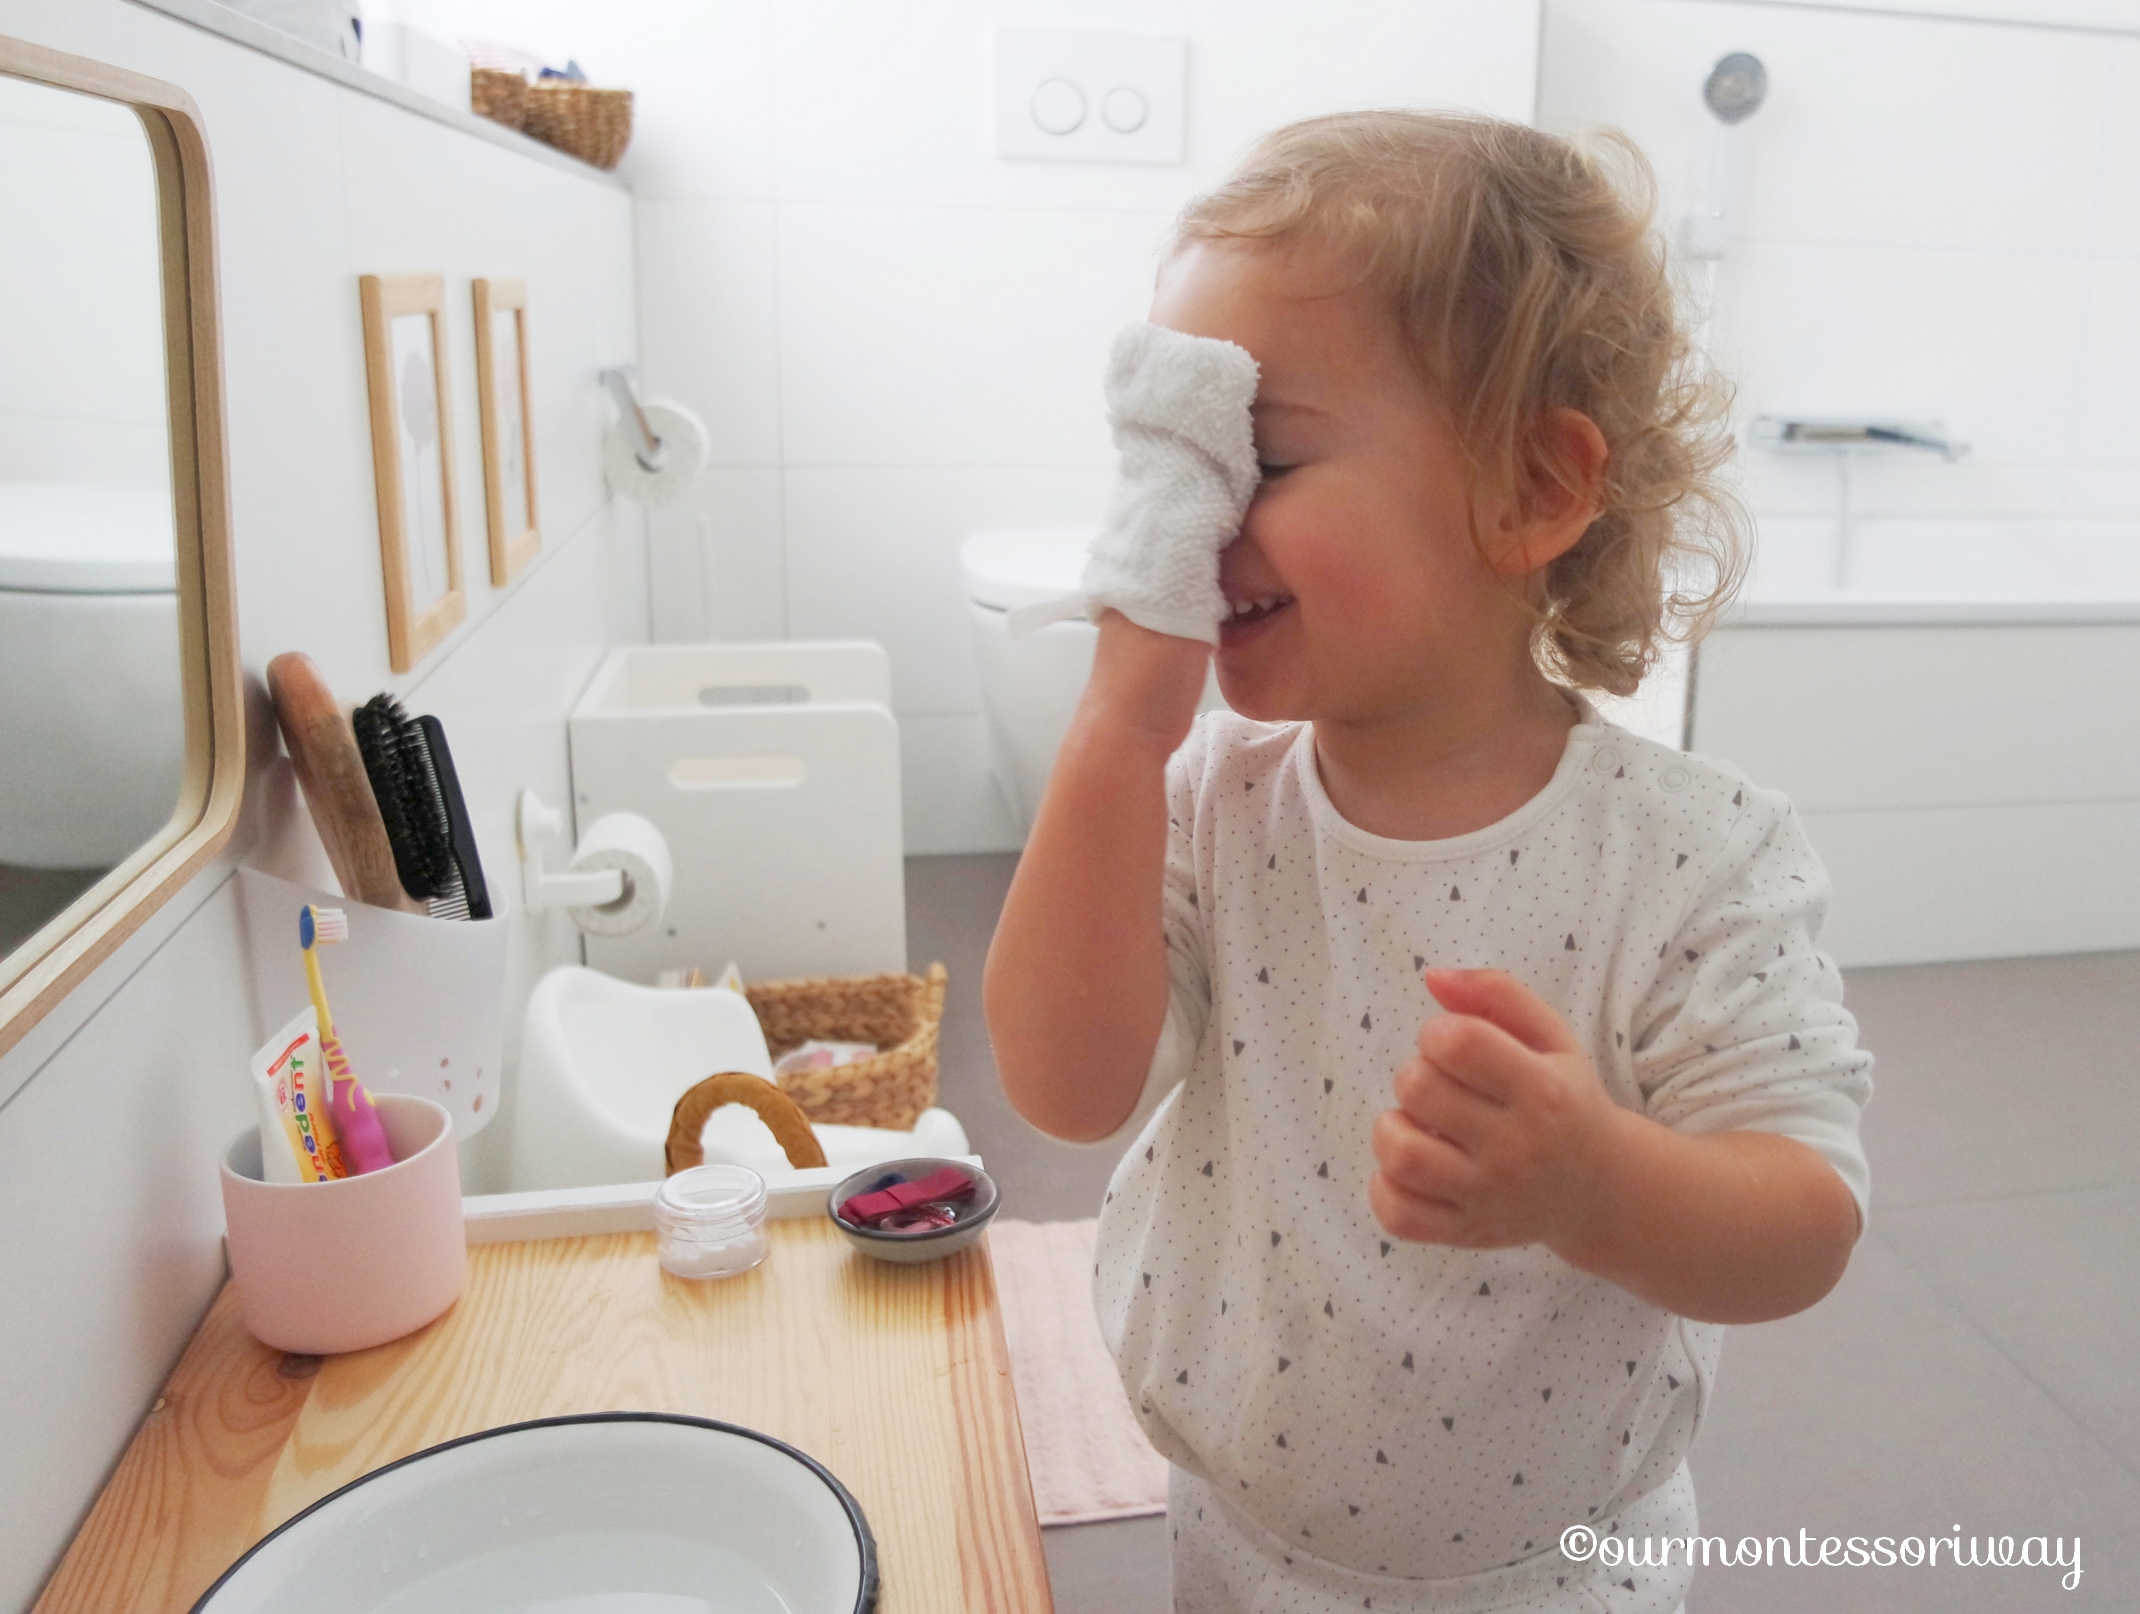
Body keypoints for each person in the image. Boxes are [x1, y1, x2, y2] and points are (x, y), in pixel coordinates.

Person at [983, 110, 1873, 1614]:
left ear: (1528, 488)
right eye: (1168, 460)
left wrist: (1598, 1183)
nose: (1185, 522)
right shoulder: (1206, 795)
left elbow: (1805, 1221)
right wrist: (1113, 735)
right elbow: (1066, 1086)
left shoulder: (1692, 857)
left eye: (1250, 453)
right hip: (1232, 1527)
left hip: (1542, 1574)